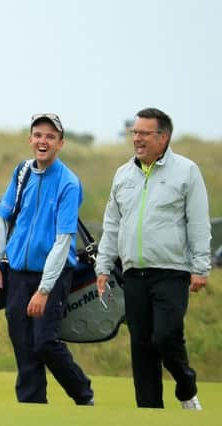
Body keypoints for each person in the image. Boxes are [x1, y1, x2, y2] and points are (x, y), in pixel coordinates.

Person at [95, 108, 210, 410]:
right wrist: (103, 266)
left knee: (165, 336)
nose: (137, 139)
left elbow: (198, 223)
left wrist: (200, 267)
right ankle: (149, 412)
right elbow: (111, 225)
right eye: (134, 133)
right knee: (142, 346)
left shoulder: (186, 171)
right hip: (134, 274)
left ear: (163, 137)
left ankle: (186, 387)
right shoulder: (123, 174)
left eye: (144, 133)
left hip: (171, 272)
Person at [0, 113, 94, 405]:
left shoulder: (69, 182)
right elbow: (4, 220)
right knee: (24, 346)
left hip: (53, 274)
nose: (42, 141)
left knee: (45, 342)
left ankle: (83, 394)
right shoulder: (22, 172)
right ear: (30, 139)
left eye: (49, 136)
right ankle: (32, 408)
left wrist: (44, 290)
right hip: (18, 273)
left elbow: (63, 240)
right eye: (37, 135)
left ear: (60, 143)